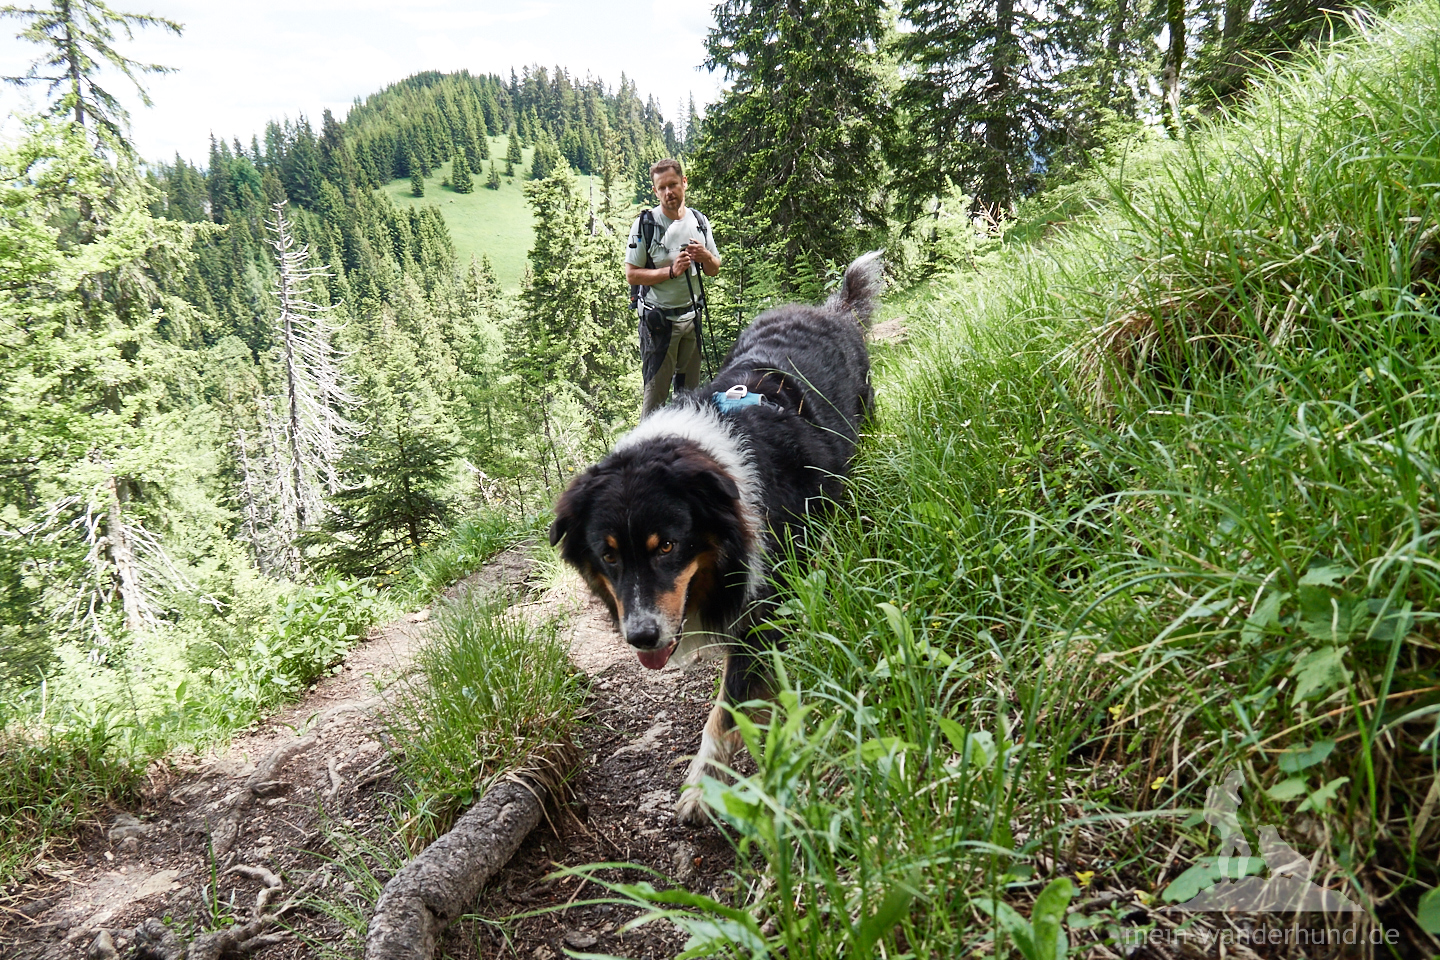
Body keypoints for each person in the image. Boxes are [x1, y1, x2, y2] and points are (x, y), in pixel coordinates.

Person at [626, 158, 721, 417]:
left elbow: (714, 269)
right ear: (655, 191)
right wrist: (670, 271)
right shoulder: (645, 225)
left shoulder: (699, 221)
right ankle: (647, 453)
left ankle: (683, 451)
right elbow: (632, 275)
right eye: (662, 187)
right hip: (659, 324)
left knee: (689, 400)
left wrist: (705, 257)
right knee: (655, 401)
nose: (669, 192)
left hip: (692, 319)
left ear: (684, 183)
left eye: (673, 185)